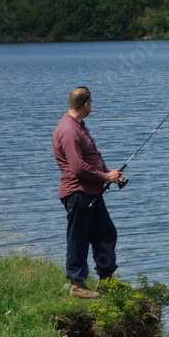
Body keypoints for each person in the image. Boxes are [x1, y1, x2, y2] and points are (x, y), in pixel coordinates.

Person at [52, 86, 124, 299]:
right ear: (86, 104)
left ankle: (106, 279)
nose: (92, 106)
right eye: (91, 103)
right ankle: (76, 285)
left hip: (91, 192)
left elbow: (88, 160)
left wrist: (111, 176)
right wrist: (105, 177)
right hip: (78, 193)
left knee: (106, 233)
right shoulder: (69, 130)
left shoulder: (79, 125)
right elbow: (78, 167)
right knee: (78, 238)